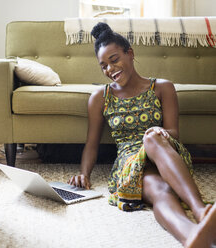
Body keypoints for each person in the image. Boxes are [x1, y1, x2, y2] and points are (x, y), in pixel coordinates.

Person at [68, 22, 216, 248]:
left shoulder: (163, 87)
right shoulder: (100, 97)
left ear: (130, 53)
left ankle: (200, 211)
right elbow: (92, 144)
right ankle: (192, 237)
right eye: (103, 66)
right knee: (161, 191)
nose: (110, 69)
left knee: (151, 138)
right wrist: (83, 173)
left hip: (165, 151)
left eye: (114, 59)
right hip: (131, 163)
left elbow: (174, 132)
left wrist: (161, 133)